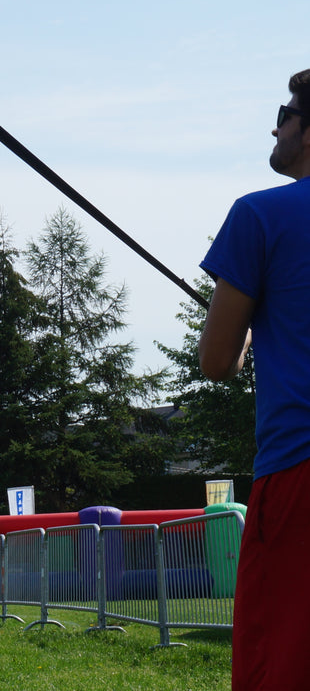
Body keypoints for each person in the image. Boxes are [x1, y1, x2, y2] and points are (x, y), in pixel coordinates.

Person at [199, 68, 310, 691]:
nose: (275, 128)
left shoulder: (259, 215)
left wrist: (242, 328)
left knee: (281, 660)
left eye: (285, 115)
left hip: (298, 473)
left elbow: (217, 363)